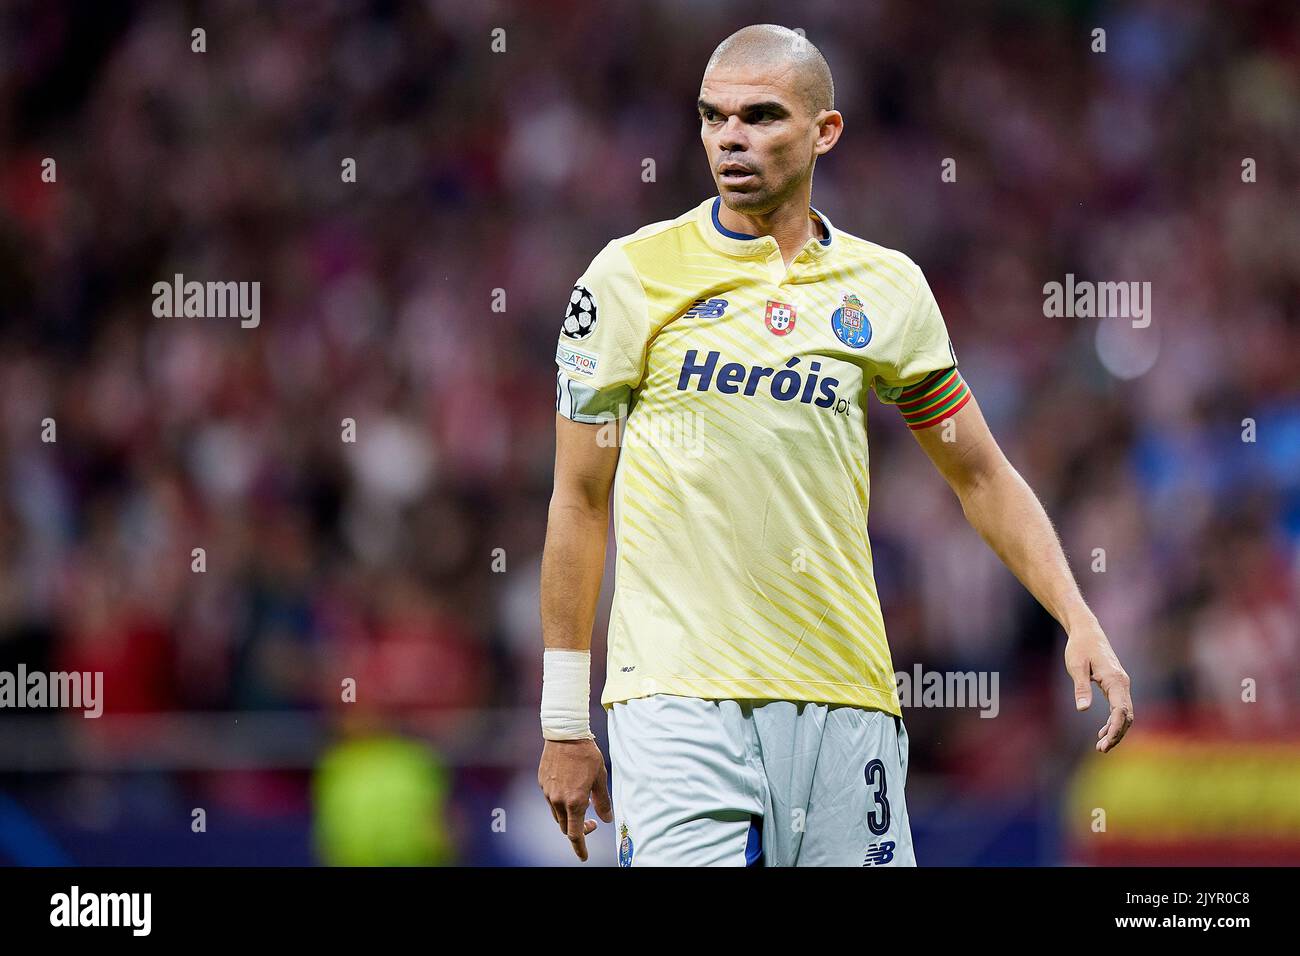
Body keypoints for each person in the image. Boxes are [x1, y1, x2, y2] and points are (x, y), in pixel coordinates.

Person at [537, 23, 1133, 866]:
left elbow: (982, 478)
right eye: (714, 118)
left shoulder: (888, 290)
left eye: (762, 116)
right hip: (678, 703)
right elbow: (578, 498)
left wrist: (1078, 618)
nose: (730, 138)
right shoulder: (629, 278)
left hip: (847, 700)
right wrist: (565, 718)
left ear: (825, 131)